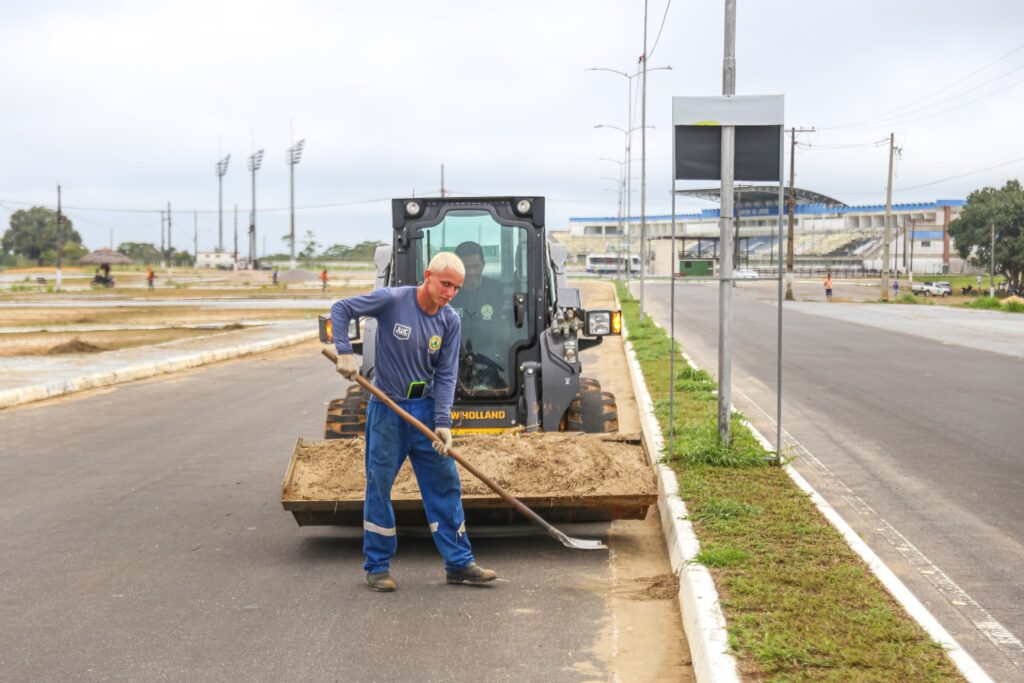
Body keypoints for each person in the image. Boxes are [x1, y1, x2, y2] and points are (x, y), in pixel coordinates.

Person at [331, 252, 496, 592]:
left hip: (424, 409)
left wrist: (443, 422)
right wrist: (344, 351)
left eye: (457, 288)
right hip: (388, 410)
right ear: (428, 275)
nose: (450, 293)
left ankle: (459, 564)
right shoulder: (393, 300)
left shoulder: (449, 321)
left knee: (445, 485)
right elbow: (341, 309)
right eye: (445, 284)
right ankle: (377, 567)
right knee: (379, 487)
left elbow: (447, 374)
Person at [451, 241, 510, 390]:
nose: (471, 272)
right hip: (453, 355)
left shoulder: (497, 290)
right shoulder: (448, 293)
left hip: (491, 356)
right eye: (466, 267)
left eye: (475, 266)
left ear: (483, 265)